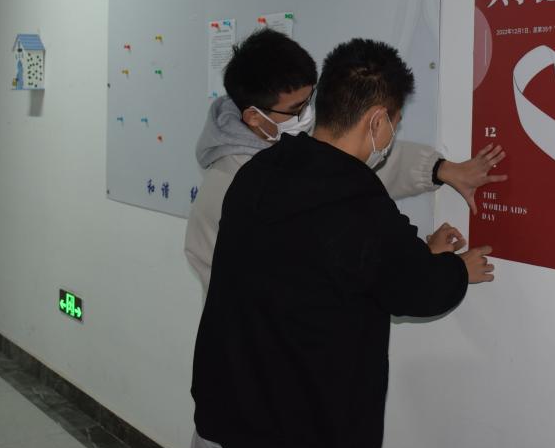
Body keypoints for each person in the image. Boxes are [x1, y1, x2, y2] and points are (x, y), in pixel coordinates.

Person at [191, 38, 494, 448]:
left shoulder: (257, 170)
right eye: (395, 122)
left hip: (225, 418)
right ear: (377, 121)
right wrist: (456, 268)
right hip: (299, 442)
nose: (393, 133)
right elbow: (418, 291)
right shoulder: (359, 204)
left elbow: (318, 262)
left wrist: (417, 248)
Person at [185, 28, 506, 294]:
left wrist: (442, 170)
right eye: (296, 109)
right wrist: (432, 268)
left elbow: (351, 164)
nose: (308, 115)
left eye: (309, 100)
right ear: (254, 118)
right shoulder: (228, 188)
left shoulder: (295, 144)